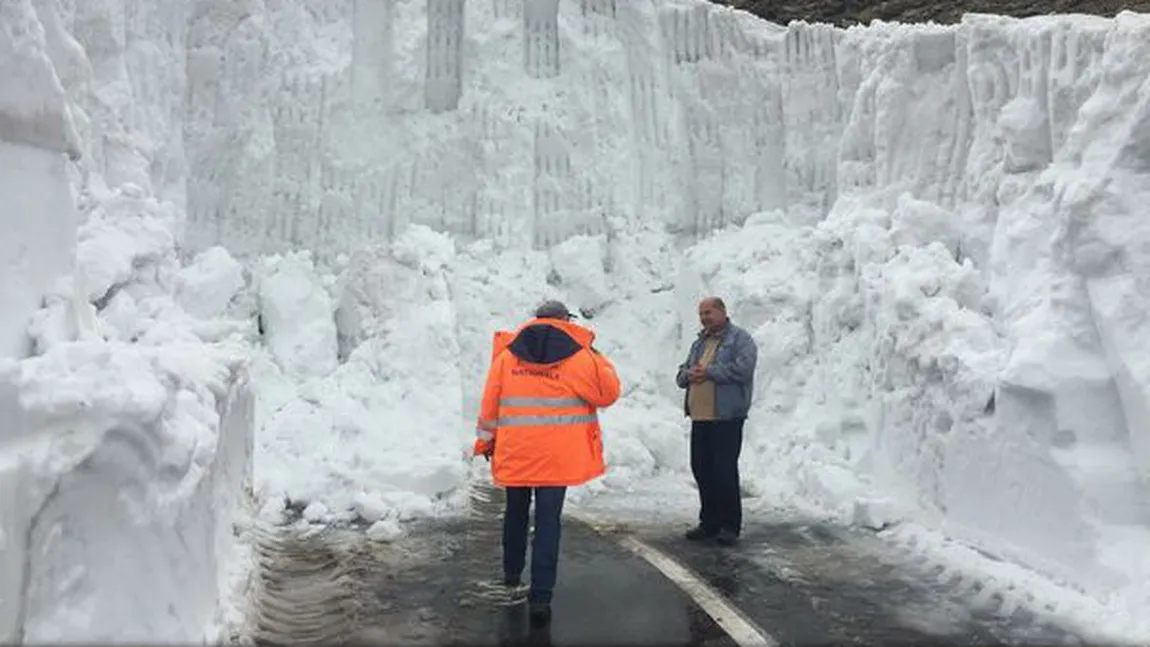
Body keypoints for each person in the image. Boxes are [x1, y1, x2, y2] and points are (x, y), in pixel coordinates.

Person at [473, 300, 621, 623]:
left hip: (517, 452)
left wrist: (486, 441)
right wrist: (593, 351)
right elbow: (608, 393)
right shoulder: (580, 356)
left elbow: (490, 402)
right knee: (548, 522)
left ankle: (512, 575)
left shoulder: (509, 355)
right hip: (558, 457)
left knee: (514, 514)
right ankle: (541, 598)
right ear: (564, 320)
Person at [675, 297, 758, 546]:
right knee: (702, 469)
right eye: (701, 314)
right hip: (701, 417)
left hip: (726, 417)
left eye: (709, 312)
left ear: (722, 312)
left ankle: (729, 525)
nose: (704, 318)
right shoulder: (700, 343)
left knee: (724, 471)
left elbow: (744, 369)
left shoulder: (740, 339)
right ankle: (708, 522)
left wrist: (709, 372)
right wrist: (689, 374)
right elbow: (681, 373)